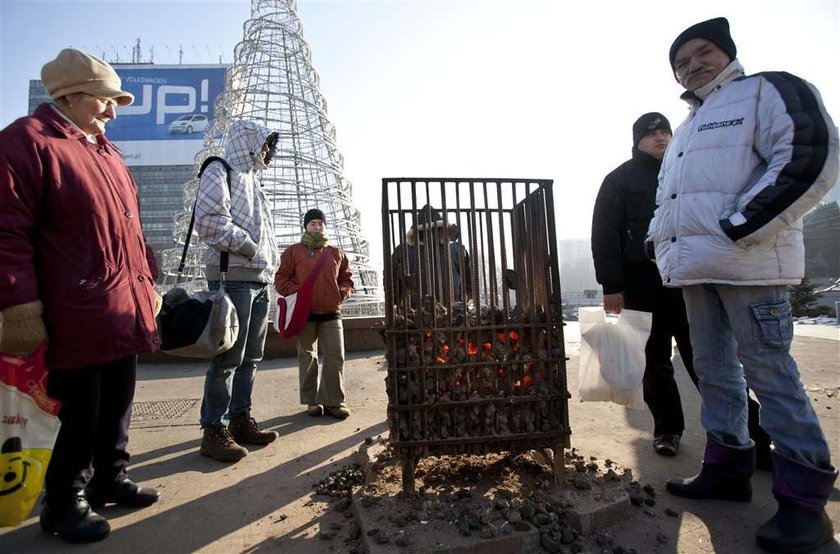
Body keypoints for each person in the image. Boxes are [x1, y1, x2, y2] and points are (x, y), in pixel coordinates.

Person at [648, 17, 838, 553]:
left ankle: (804, 507)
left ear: (727, 53)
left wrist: (741, 226)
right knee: (714, 373)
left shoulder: (768, 89)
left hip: (751, 265)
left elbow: (809, 154)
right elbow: (673, 198)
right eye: (682, 61)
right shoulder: (688, 126)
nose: (693, 64)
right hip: (696, 270)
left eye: (703, 52)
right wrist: (656, 242)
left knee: (771, 376)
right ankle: (727, 469)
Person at [0, 49, 161, 543]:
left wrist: (149, 281)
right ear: (70, 96)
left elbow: (131, 230)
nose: (114, 112)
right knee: (77, 411)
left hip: (117, 307)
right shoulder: (27, 142)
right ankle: (65, 500)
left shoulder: (104, 151)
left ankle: (111, 477)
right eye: (106, 100)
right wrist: (17, 304)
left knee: (118, 399)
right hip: (73, 312)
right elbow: (6, 233)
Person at [591, 113, 772, 461]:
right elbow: (604, 234)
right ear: (637, 140)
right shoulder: (619, 180)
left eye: (664, 132)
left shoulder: (688, 173)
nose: (660, 138)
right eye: (651, 134)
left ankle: (752, 437)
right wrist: (611, 286)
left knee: (714, 363)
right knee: (655, 363)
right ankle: (667, 430)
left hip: (691, 282)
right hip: (642, 286)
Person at [194, 120, 281, 463]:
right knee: (227, 357)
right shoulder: (220, 169)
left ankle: (240, 419)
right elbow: (209, 221)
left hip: (259, 279)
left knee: (251, 357)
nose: (267, 152)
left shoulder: (253, 180)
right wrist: (249, 248)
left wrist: (266, 260)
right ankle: (213, 429)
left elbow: (264, 230)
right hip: (232, 276)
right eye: (263, 144)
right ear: (248, 141)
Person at [275, 209, 354, 419]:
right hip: (304, 313)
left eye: (320, 223)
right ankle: (311, 401)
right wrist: (298, 293)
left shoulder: (336, 253)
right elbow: (280, 279)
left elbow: (347, 279)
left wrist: (341, 293)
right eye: (313, 223)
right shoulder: (293, 252)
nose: (317, 227)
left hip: (332, 311)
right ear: (305, 226)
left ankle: (334, 401)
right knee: (307, 357)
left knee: (335, 356)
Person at [391, 205, 473, 309]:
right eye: (426, 231)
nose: (430, 234)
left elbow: (469, 276)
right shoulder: (403, 251)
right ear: (418, 232)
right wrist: (399, 300)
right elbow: (390, 276)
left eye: (434, 230)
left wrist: (466, 295)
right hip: (416, 313)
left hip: (452, 311)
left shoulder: (456, 249)